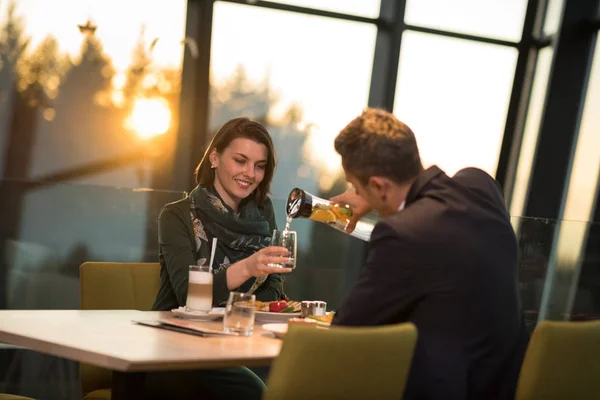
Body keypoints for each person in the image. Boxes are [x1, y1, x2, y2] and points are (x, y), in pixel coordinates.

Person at [330, 108, 529, 400]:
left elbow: (347, 331)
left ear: (378, 185)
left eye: (355, 186)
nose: (356, 193)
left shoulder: (401, 233)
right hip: (508, 383)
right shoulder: (479, 187)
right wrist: (377, 198)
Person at [150, 117, 292, 399]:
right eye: (240, 161)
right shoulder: (176, 215)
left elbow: (274, 286)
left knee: (297, 380)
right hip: (177, 347)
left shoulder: (262, 215)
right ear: (214, 158)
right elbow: (187, 294)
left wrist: (237, 307)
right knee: (255, 391)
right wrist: (248, 269)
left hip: (239, 342)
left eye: (259, 166)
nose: (250, 173)